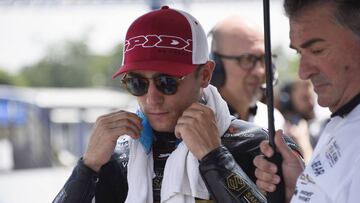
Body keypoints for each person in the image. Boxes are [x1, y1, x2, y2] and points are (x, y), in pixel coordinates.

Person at [53, 6, 301, 203]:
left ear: (204, 75)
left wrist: (215, 159)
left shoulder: (262, 148)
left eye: (166, 82)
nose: (152, 97)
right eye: (137, 83)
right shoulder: (117, 157)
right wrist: (87, 167)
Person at [253, 0, 360, 202]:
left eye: (317, 50)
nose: (303, 72)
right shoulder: (342, 119)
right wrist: (300, 190)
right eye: (299, 52)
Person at [209, 16, 285, 130]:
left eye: (264, 59)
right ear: (216, 65)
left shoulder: (273, 119)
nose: (260, 71)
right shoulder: (198, 125)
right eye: (247, 59)